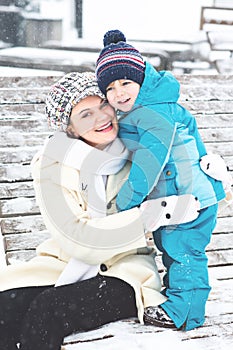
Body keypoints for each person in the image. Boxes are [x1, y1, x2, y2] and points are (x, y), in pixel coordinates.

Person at [0, 72, 200, 350]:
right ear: (69, 129)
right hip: (64, 263)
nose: (101, 118)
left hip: (124, 271)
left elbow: (194, 192)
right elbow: (75, 238)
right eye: (85, 115)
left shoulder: (142, 150)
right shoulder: (53, 163)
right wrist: (147, 217)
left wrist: (211, 176)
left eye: (103, 106)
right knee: (5, 311)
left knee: (48, 309)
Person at [95, 30, 227, 331]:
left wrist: (128, 200)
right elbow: (192, 134)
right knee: (173, 247)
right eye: (111, 87)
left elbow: (149, 161)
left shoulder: (153, 111)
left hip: (187, 199)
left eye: (126, 82)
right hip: (180, 197)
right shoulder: (149, 107)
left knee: (183, 251)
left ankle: (185, 312)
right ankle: (178, 298)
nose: (119, 92)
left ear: (141, 80)